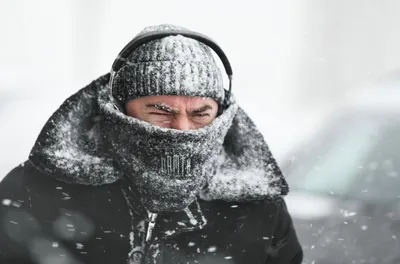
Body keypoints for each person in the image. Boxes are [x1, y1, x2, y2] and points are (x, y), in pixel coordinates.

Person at [0, 24, 303, 264]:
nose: (182, 130)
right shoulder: (35, 192)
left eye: (201, 114)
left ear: (221, 115)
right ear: (117, 109)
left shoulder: (257, 209)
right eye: (161, 112)